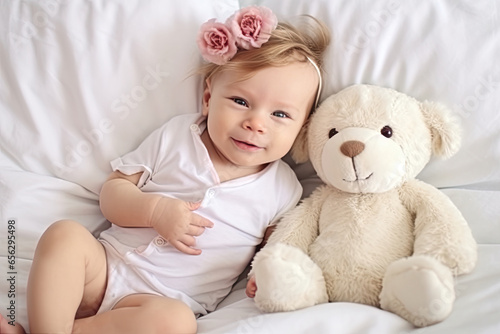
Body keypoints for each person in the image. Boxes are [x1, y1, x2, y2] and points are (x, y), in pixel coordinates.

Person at [0, 6, 329, 334]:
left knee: (176, 324)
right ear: (208, 99)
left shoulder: (284, 189)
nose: (255, 123)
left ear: (302, 130)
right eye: (241, 102)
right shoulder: (178, 136)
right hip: (103, 268)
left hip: (164, 302)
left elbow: (278, 247)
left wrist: (266, 274)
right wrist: (154, 209)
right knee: (65, 235)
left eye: (281, 115)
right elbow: (114, 192)